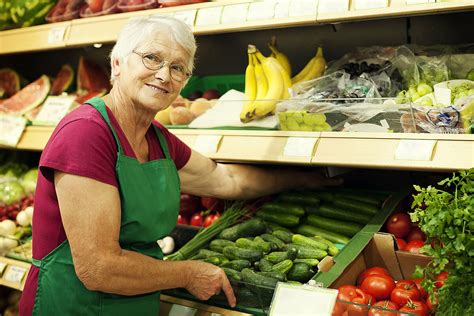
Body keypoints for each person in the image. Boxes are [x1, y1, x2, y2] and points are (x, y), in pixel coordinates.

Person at [19, 16, 341, 315]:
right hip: (72, 306)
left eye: (178, 68)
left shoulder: (157, 138)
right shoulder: (87, 133)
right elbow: (98, 267)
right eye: (152, 59)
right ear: (117, 63)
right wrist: (186, 273)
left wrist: (301, 179)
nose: (163, 75)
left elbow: (225, 179)